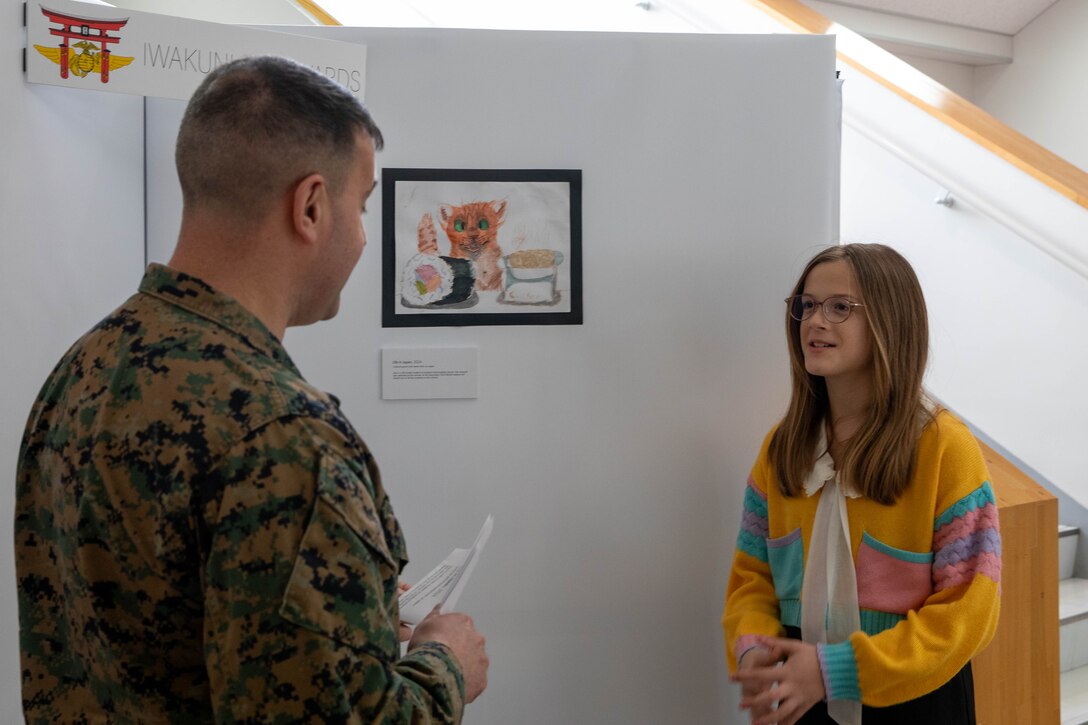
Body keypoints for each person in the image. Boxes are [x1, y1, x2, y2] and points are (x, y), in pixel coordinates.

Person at [15, 56, 488, 723]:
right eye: (363, 204)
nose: (361, 234)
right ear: (312, 205)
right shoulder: (285, 436)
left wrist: (356, 605)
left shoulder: (82, 371)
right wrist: (446, 664)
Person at [723, 243, 1000, 725]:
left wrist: (837, 671)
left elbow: (966, 611)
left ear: (890, 322)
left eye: (840, 307)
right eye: (807, 305)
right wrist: (753, 648)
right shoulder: (782, 448)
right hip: (802, 698)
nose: (815, 321)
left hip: (916, 702)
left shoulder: (944, 448)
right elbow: (752, 577)